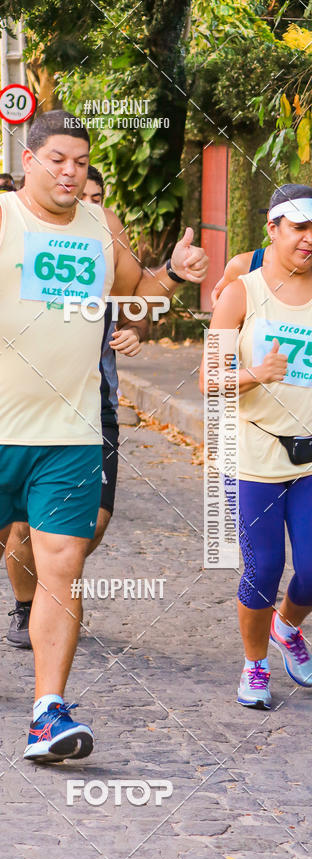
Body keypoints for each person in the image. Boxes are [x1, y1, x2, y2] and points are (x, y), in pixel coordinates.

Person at [0, 110, 207, 762]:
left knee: (62, 565)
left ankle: (48, 711)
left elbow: (136, 295)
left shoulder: (102, 224)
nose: (70, 172)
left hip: (73, 429)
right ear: (31, 160)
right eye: (58, 160)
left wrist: (177, 274)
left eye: (80, 162)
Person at [5, 164, 146, 648]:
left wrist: (137, 328)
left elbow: (137, 302)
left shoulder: (108, 242)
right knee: (22, 525)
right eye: (80, 195)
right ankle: (27, 606)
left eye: (96, 198)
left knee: (94, 521)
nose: (87, 205)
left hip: (94, 404)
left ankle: (54, 585)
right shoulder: (27, 240)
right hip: (27, 403)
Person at [200, 182, 312, 710]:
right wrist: (255, 374)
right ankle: (255, 664)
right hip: (254, 456)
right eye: (300, 228)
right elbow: (208, 380)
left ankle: (285, 626)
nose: (309, 238)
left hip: (310, 458)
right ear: (273, 229)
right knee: (264, 568)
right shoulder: (242, 293)